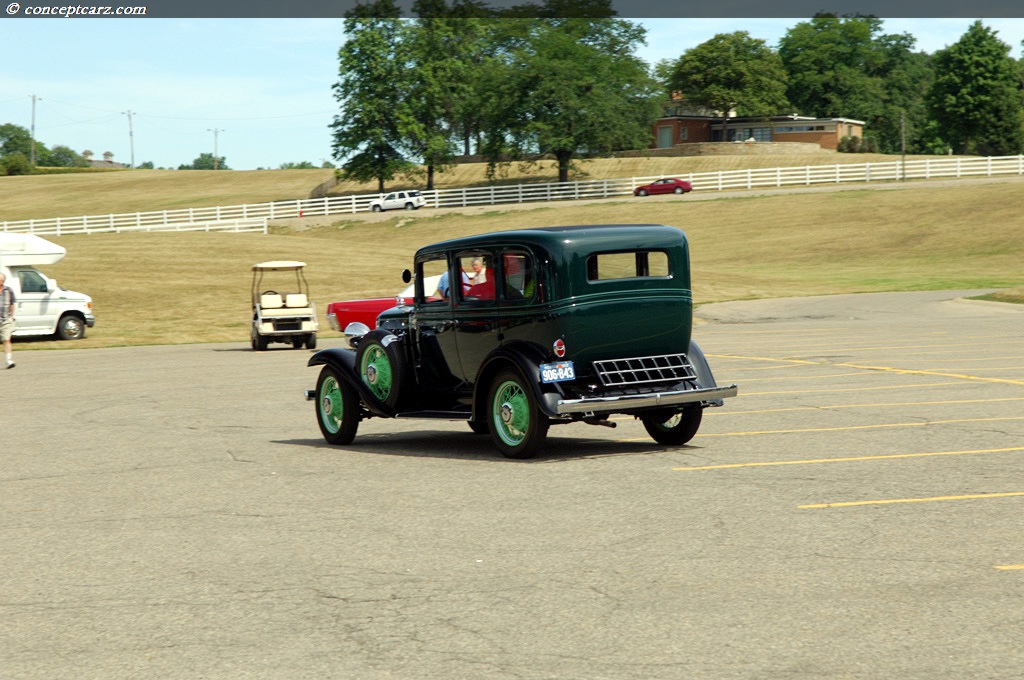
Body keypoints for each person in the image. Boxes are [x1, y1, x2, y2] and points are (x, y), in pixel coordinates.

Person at [0, 273, 15, 368]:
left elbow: (12, 304)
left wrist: (12, 317)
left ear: (3, 281)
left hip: (5, 319)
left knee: (6, 339)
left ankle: (8, 360)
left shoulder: (8, 291)